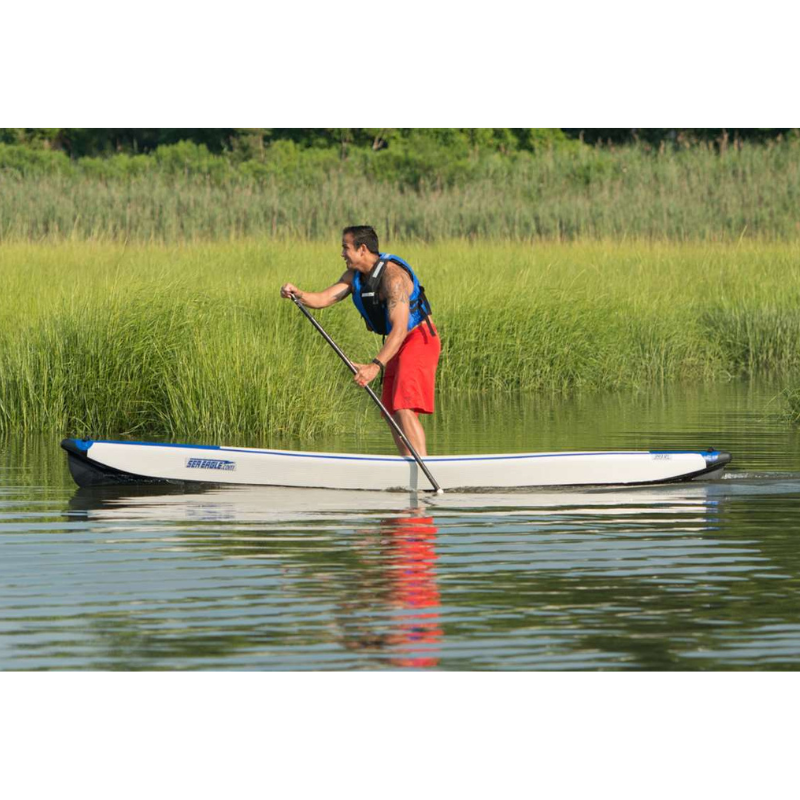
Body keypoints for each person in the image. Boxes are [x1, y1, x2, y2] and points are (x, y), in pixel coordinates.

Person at [280, 225, 440, 457]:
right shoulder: (353, 277)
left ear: (362, 249)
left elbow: (398, 330)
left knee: (404, 404)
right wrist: (298, 293)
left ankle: (423, 464)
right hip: (396, 344)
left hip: (418, 339)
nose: (342, 253)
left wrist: (375, 365)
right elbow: (323, 298)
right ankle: (409, 463)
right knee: (392, 409)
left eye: (346, 248)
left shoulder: (393, 278)